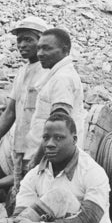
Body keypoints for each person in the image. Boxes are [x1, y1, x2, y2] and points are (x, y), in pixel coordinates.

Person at [0, 16, 48, 194]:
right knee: (18, 197)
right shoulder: (22, 72)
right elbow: (10, 112)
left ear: (42, 41)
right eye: (19, 40)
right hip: (22, 150)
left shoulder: (48, 73)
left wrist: (39, 155)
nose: (21, 45)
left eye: (28, 39)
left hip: (41, 151)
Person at [27, 28, 86, 157]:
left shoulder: (62, 78)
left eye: (47, 49)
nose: (40, 54)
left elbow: (58, 127)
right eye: (39, 48)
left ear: (65, 51)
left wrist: (37, 159)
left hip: (51, 157)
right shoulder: (57, 75)